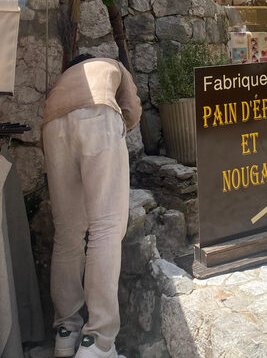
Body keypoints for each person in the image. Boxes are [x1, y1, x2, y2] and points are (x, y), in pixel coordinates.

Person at [42, 54, 142, 358]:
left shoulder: (63, 79)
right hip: (98, 114)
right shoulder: (114, 66)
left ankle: (65, 331)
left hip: (52, 124)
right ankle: (97, 342)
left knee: (68, 233)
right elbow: (132, 109)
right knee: (106, 228)